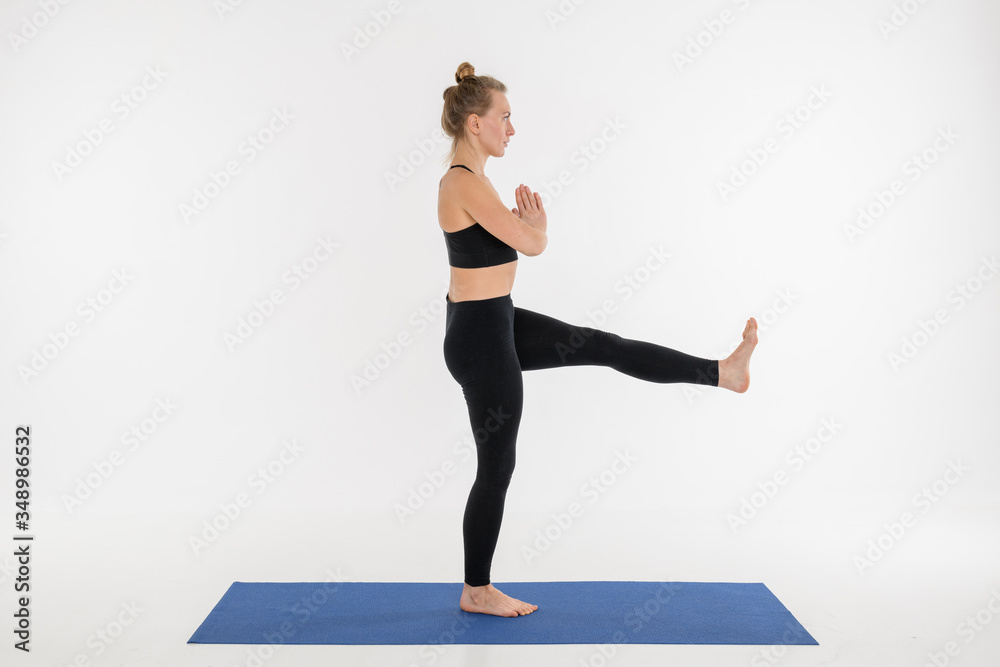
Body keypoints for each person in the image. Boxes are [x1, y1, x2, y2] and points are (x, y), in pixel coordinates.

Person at [438, 62, 758, 618]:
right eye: (505, 118)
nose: (512, 129)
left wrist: (529, 228)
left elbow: (516, 243)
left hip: (498, 321)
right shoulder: (462, 182)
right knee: (498, 464)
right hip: (479, 339)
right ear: (474, 124)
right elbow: (532, 246)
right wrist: (537, 227)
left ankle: (722, 372)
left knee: (601, 345)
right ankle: (476, 588)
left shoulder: (477, 182)